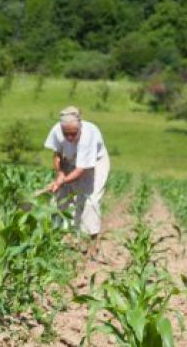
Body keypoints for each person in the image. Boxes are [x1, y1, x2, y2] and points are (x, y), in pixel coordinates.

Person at [44, 106, 110, 260]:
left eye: (73, 134)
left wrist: (62, 181)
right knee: (62, 200)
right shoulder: (56, 131)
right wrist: (60, 173)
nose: (70, 138)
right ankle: (64, 241)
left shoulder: (89, 136)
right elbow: (57, 155)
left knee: (89, 201)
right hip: (70, 160)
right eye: (66, 134)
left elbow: (82, 169)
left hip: (93, 165)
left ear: (80, 127)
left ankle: (92, 245)